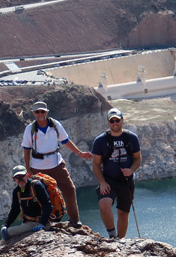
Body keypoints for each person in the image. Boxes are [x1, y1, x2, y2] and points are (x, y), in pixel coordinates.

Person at [22, 100, 92, 227]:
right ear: (33, 113)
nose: (40, 114)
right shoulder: (30, 129)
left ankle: (74, 220)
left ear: (47, 112)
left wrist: (80, 153)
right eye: (37, 112)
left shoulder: (55, 125)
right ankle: (44, 221)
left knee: (70, 189)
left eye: (42, 111)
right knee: (40, 195)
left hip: (56, 164)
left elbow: (66, 141)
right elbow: (26, 151)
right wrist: (28, 170)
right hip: (38, 167)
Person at [91, 108, 142, 238]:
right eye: (112, 121)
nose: (115, 123)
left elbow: (137, 159)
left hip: (126, 181)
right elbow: (96, 164)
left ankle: (120, 241)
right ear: (108, 122)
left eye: (117, 120)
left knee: (123, 213)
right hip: (109, 179)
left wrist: (131, 170)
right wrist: (102, 182)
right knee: (104, 204)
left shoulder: (131, 138)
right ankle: (112, 236)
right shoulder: (100, 140)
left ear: (122, 120)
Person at [0, 165, 53, 240]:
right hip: (27, 222)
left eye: (22, 176)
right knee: (5, 232)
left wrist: (42, 223)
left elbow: (47, 205)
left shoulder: (36, 186)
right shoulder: (17, 191)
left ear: (27, 175)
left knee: (8, 232)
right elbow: (15, 210)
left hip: (39, 222)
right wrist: (5, 225)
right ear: (13, 179)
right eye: (17, 177)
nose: (20, 179)